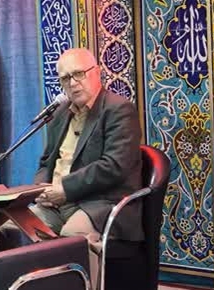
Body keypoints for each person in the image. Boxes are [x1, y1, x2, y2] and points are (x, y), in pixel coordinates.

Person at [32, 47, 144, 262]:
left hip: (99, 204)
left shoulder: (119, 110)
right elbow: (47, 162)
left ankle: (80, 286)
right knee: (13, 227)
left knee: (72, 239)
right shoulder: (60, 113)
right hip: (56, 205)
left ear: (97, 72)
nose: (73, 83)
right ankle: (38, 285)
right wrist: (40, 189)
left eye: (79, 74)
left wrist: (65, 189)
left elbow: (114, 166)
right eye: (65, 78)